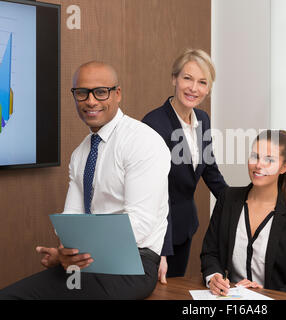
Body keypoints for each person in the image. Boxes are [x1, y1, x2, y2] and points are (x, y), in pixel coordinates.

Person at [0, 61, 171, 300]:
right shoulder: (81, 153)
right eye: (82, 93)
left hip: (134, 265)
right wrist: (66, 253)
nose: (91, 101)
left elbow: (140, 227)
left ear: (117, 94)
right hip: (88, 263)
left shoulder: (142, 142)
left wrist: (80, 251)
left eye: (101, 92)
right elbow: (71, 219)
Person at [142, 49, 227, 282]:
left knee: (175, 290)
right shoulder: (154, 124)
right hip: (159, 234)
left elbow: (210, 170)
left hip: (185, 226)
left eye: (202, 82)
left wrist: (240, 204)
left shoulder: (203, 119)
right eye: (187, 78)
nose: (193, 88)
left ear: (208, 88)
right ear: (174, 79)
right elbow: (156, 194)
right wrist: (162, 250)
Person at [201, 130, 286, 296]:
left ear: (284, 167)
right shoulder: (228, 198)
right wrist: (214, 277)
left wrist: (264, 294)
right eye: (255, 156)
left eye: (269, 159)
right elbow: (210, 253)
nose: (259, 165)